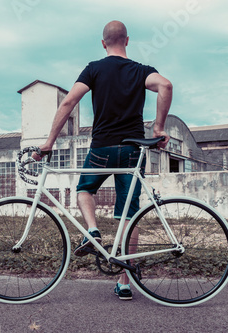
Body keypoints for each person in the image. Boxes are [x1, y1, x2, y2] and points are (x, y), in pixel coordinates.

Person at [33, 20, 172, 300]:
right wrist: (158, 128)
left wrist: (49, 142)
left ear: (103, 43)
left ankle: (92, 231)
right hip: (132, 150)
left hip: (102, 149)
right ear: (127, 41)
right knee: (129, 217)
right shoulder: (141, 70)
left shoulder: (94, 68)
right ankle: (124, 281)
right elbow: (166, 86)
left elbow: (68, 102)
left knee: (84, 189)